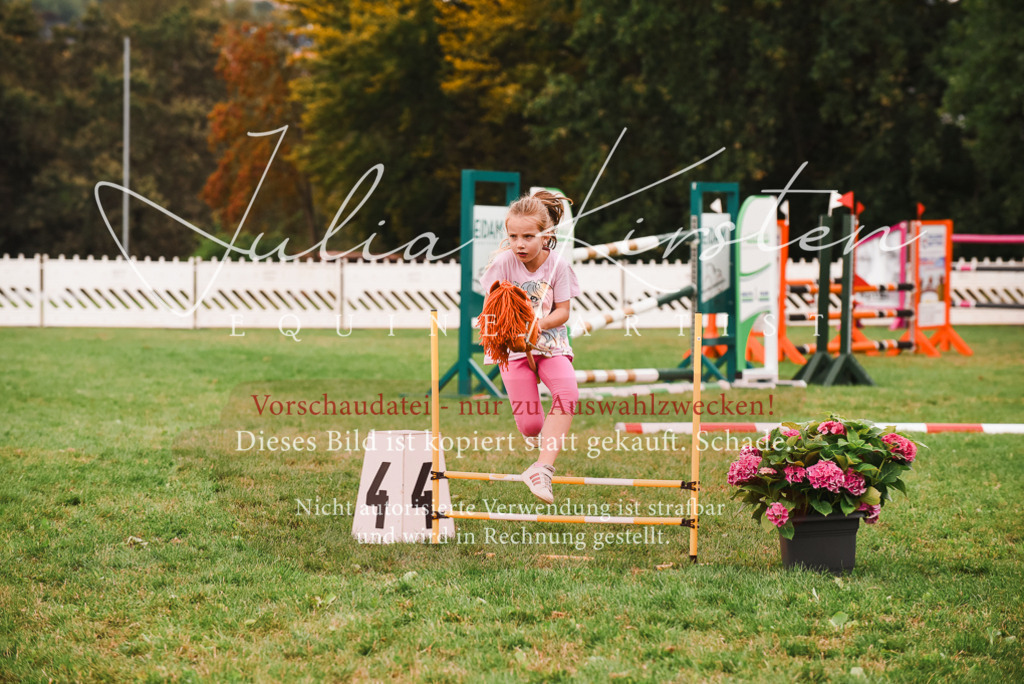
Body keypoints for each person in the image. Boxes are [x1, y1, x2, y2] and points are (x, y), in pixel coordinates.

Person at [480, 190, 580, 504]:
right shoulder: (503, 263)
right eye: (513, 236)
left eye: (528, 236)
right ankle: (534, 436)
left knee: (568, 394)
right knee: (531, 426)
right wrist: (503, 328)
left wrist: (538, 326)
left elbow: (563, 311)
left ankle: (542, 469)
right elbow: (490, 309)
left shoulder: (558, 266)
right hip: (512, 349)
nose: (520, 244)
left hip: (550, 343)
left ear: (547, 235)